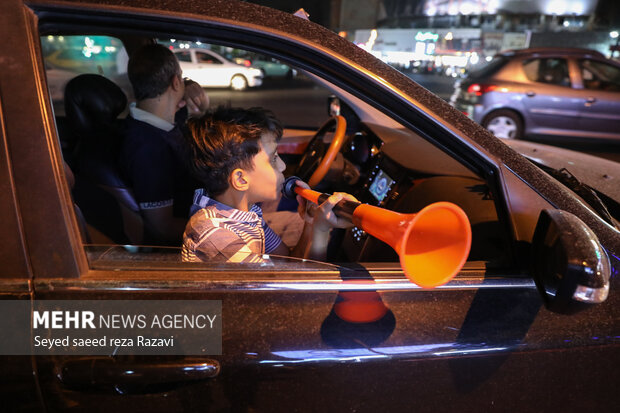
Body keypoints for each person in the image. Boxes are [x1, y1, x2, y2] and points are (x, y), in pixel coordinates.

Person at [182, 106, 356, 263]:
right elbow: (294, 296)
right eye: (273, 159)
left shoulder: (248, 214)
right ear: (241, 180)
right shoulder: (217, 235)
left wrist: (311, 223)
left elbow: (288, 263)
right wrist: (321, 231)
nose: (283, 166)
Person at [119, 43, 210, 245]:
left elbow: (199, 106)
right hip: (198, 241)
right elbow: (162, 228)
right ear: (175, 82)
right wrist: (224, 230)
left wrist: (189, 83)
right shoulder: (148, 148)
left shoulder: (159, 123)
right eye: (181, 78)